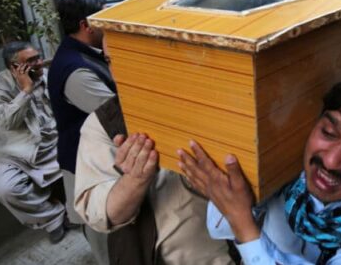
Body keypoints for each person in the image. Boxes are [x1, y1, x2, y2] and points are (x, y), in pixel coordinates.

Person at [178, 76, 341, 265]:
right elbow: (222, 228)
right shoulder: (286, 168)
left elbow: (237, 226)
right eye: (328, 132)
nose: (330, 162)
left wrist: (245, 225)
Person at [73, 96, 235, 264]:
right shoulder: (107, 120)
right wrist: (135, 179)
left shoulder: (224, 100)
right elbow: (100, 214)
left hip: (244, 250)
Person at [0, 41, 70, 244]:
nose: (38, 63)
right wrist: (25, 90)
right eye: (31, 61)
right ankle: (53, 217)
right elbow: (5, 123)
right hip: (13, 148)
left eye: (38, 57)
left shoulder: (46, 74)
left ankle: (75, 207)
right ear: (14, 67)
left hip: (52, 141)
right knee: (7, 189)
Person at [48, 0, 114, 264]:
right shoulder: (75, 70)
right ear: (87, 25)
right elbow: (115, 114)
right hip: (85, 161)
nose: (110, 25)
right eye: (105, 19)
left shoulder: (86, 54)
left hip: (96, 155)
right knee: (102, 233)